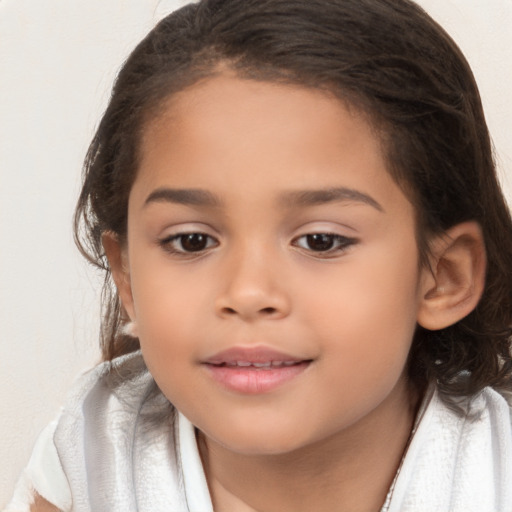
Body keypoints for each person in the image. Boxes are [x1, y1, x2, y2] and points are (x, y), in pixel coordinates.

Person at [5, 0, 512, 510]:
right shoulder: (92, 458)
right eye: (192, 241)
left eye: (321, 241)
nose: (248, 293)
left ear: (443, 277)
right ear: (128, 275)